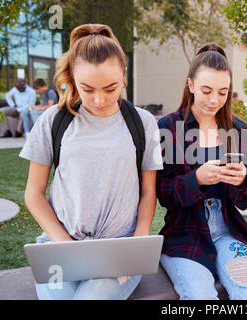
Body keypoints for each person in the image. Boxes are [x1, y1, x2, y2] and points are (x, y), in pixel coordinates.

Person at [19, 24, 163, 300]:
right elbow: (33, 193)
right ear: (72, 78)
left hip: (120, 253)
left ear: (123, 75)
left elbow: (148, 190)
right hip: (59, 247)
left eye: (110, 88)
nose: (99, 100)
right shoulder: (52, 121)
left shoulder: (144, 124)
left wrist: (139, 241)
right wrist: (64, 244)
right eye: (87, 89)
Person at [156, 43, 247, 300]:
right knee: (199, 296)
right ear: (191, 85)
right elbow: (163, 194)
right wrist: (196, 179)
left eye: (222, 92)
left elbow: (245, 199)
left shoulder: (239, 131)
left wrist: (241, 180)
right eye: (206, 90)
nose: (214, 100)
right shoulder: (169, 128)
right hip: (184, 232)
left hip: (229, 229)